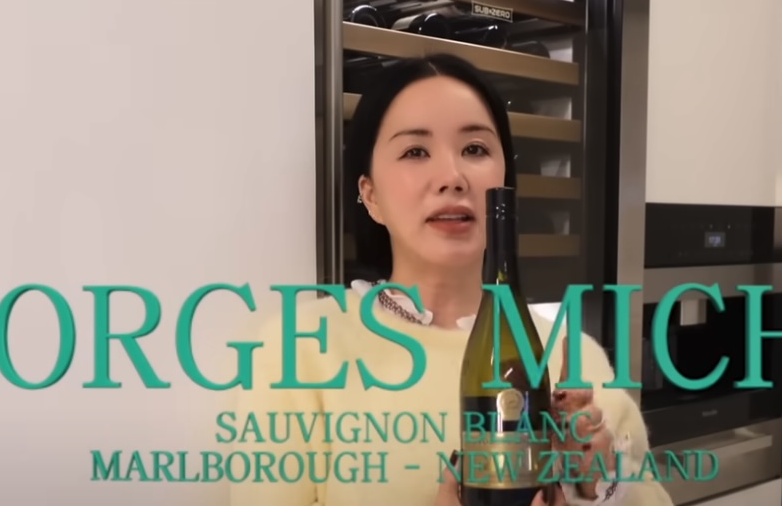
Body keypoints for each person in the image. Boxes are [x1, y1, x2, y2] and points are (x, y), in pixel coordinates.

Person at [228, 53, 673, 506]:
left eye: (475, 149)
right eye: (415, 152)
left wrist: (597, 489)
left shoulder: (570, 356)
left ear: (504, 186)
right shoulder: (302, 349)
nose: (452, 177)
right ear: (371, 195)